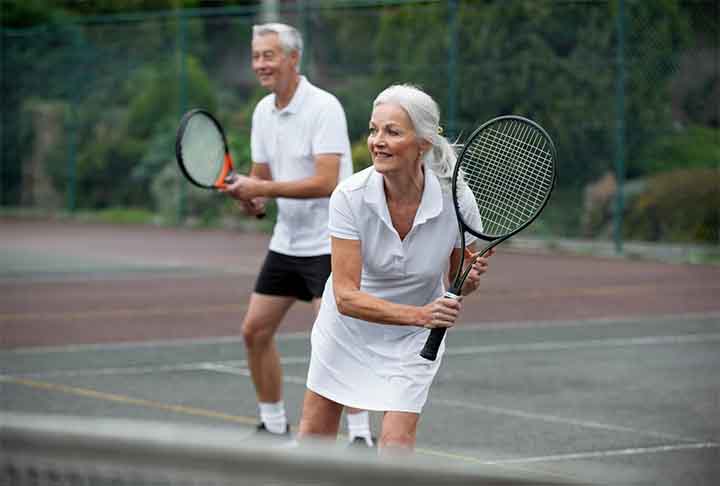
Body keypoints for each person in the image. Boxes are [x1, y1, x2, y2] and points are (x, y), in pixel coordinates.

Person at [296, 84, 494, 452]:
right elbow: (346, 297)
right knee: (313, 439)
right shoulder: (349, 197)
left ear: (423, 143)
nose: (377, 141)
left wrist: (469, 282)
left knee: (396, 444)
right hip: (347, 331)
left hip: (413, 342)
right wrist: (420, 314)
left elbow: (457, 281)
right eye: (374, 130)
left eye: (392, 131)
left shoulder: (458, 198)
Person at [222, 23, 374, 446]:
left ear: (293, 58)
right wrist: (252, 199)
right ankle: (272, 423)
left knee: (337, 340)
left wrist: (262, 189)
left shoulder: (324, 108)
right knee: (254, 331)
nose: (260, 64)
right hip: (286, 244)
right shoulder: (261, 112)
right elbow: (262, 177)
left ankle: (361, 436)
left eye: (268, 55)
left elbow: (326, 181)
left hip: (331, 242)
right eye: (256, 56)